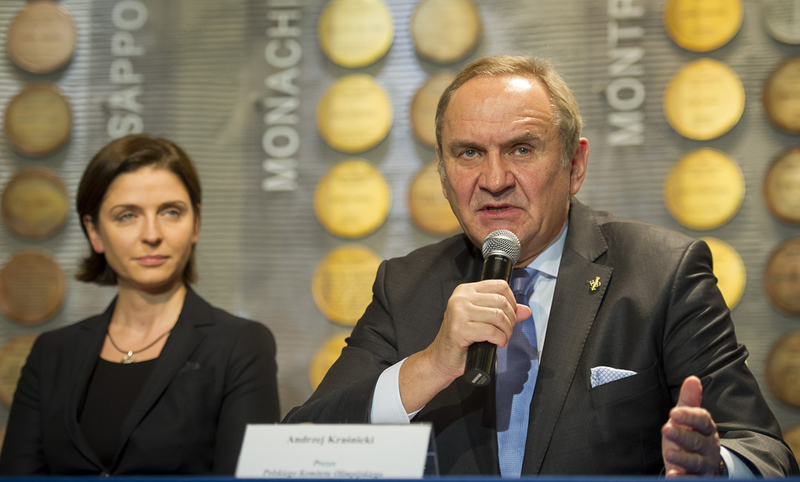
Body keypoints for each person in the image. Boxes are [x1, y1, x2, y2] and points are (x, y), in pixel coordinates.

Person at [284, 56, 799, 477]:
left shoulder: (662, 272)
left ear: (575, 165)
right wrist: (431, 366)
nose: (494, 179)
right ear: (442, 176)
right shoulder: (405, 285)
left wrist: (715, 467)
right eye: (469, 153)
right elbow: (299, 449)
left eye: (521, 149)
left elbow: (765, 452)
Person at [0, 134, 280, 475]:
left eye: (171, 212)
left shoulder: (240, 345)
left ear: (195, 223)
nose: (151, 234)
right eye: (127, 216)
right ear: (94, 232)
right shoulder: (52, 353)